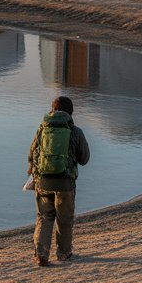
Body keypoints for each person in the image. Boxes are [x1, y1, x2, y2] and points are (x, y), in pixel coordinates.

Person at [28, 95, 90, 266]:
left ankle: (41, 255)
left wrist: (34, 173)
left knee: (44, 217)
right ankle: (63, 253)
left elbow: (32, 154)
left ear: (52, 110)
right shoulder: (76, 131)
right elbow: (84, 159)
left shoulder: (42, 129)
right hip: (65, 184)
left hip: (43, 182)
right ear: (71, 112)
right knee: (64, 219)